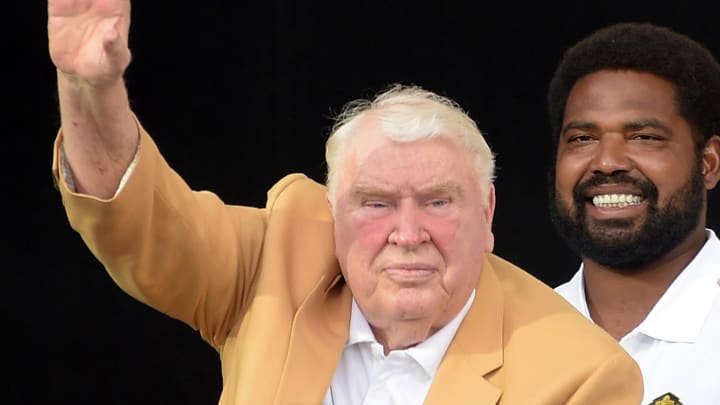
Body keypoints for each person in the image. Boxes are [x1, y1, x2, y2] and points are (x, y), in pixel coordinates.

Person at [47, 1, 643, 404]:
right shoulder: (277, 260)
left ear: (486, 216)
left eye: (438, 202)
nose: (407, 233)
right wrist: (88, 88)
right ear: (334, 215)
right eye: (376, 204)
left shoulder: (580, 375)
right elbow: (137, 220)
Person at [548, 22, 720, 405]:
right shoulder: (509, 330)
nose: (607, 162)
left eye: (644, 137)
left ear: (708, 163)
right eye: (583, 139)